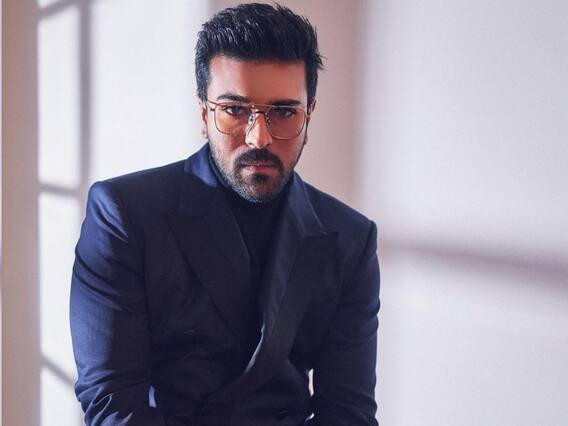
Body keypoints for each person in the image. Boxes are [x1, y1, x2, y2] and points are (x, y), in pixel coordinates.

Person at [70, 3, 380, 425]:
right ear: (205, 114)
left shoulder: (350, 238)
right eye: (235, 110)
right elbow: (112, 404)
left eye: (283, 112)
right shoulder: (124, 214)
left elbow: (348, 414)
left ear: (309, 116)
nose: (259, 137)